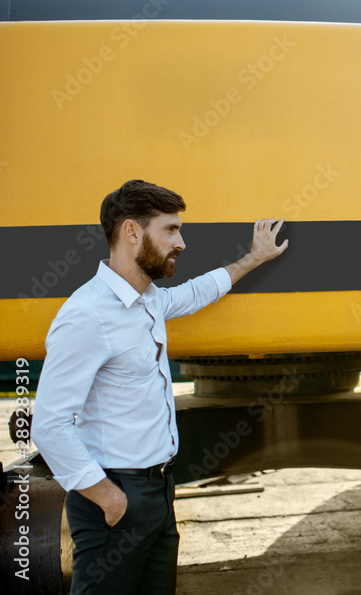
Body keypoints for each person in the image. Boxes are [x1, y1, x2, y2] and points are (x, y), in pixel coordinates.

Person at [31, 179, 288, 594]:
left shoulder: (149, 299)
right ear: (131, 232)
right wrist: (112, 501)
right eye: (170, 230)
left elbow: (196, 291)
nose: (181, 242)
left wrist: (252, 259)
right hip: (116, 498)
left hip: (158, 491)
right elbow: (49, 425)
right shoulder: (88, 315)